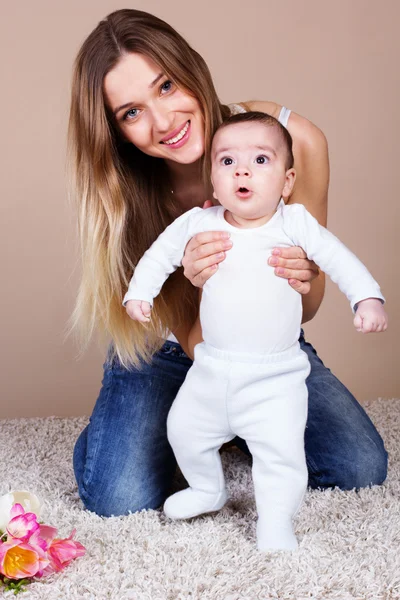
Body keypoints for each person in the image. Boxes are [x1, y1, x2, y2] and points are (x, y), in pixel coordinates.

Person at [69, 9, 388, 519]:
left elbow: (307, 307)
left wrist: (305, 278)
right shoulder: (124, 189)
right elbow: (189, 335)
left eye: (167, 86)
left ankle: (233, 426)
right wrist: (191, 282)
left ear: (192, 66)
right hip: (167, 347)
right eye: (131, 113)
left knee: (358, 468)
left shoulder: (290, 141)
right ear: (116, 131)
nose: (164, 121)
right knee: (117, 496)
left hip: (264, 350)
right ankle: (150, 419)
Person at [123, 112, 387, 550]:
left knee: (280, 454)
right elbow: (158, 255)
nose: (242, 170)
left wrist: (367, 298)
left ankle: (276, 521)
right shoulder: (199, 222)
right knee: (184, 430)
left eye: (260, 160)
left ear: (286, 182)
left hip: (275, 376)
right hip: (209, 369)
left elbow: (339, 259)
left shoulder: (295, 223)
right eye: (227, 162)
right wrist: (140, 293)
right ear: (213, 180)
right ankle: (208, 488)